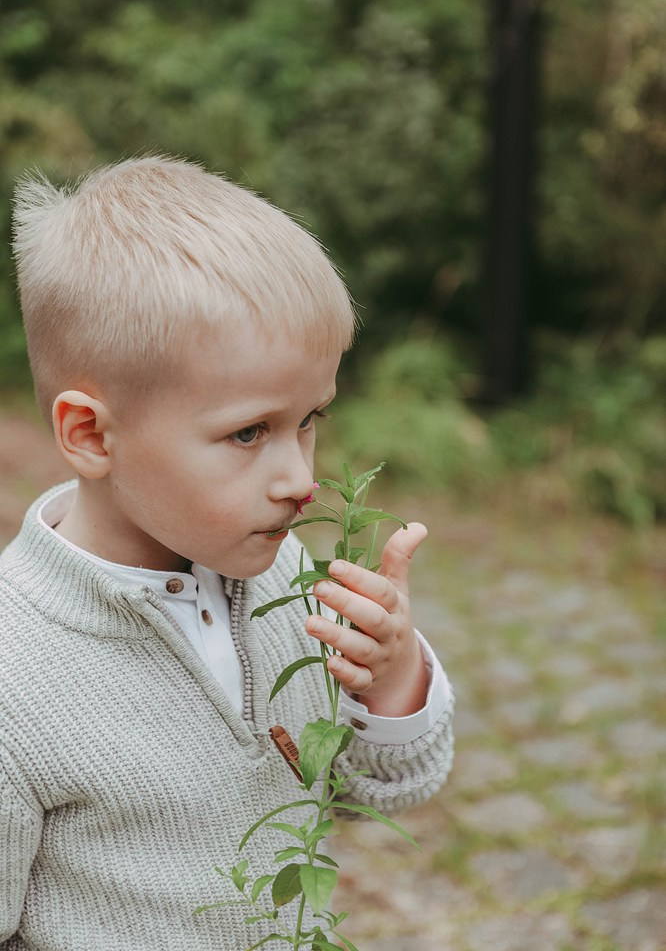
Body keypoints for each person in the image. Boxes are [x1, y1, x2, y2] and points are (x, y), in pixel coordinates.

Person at [0, 156, 454, 950]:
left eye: (310, 418)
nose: (300, 478)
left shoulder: (283, 581)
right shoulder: (18, 680)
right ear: (91, 435)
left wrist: (391, 680)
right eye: (249, 432)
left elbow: (379, 790)